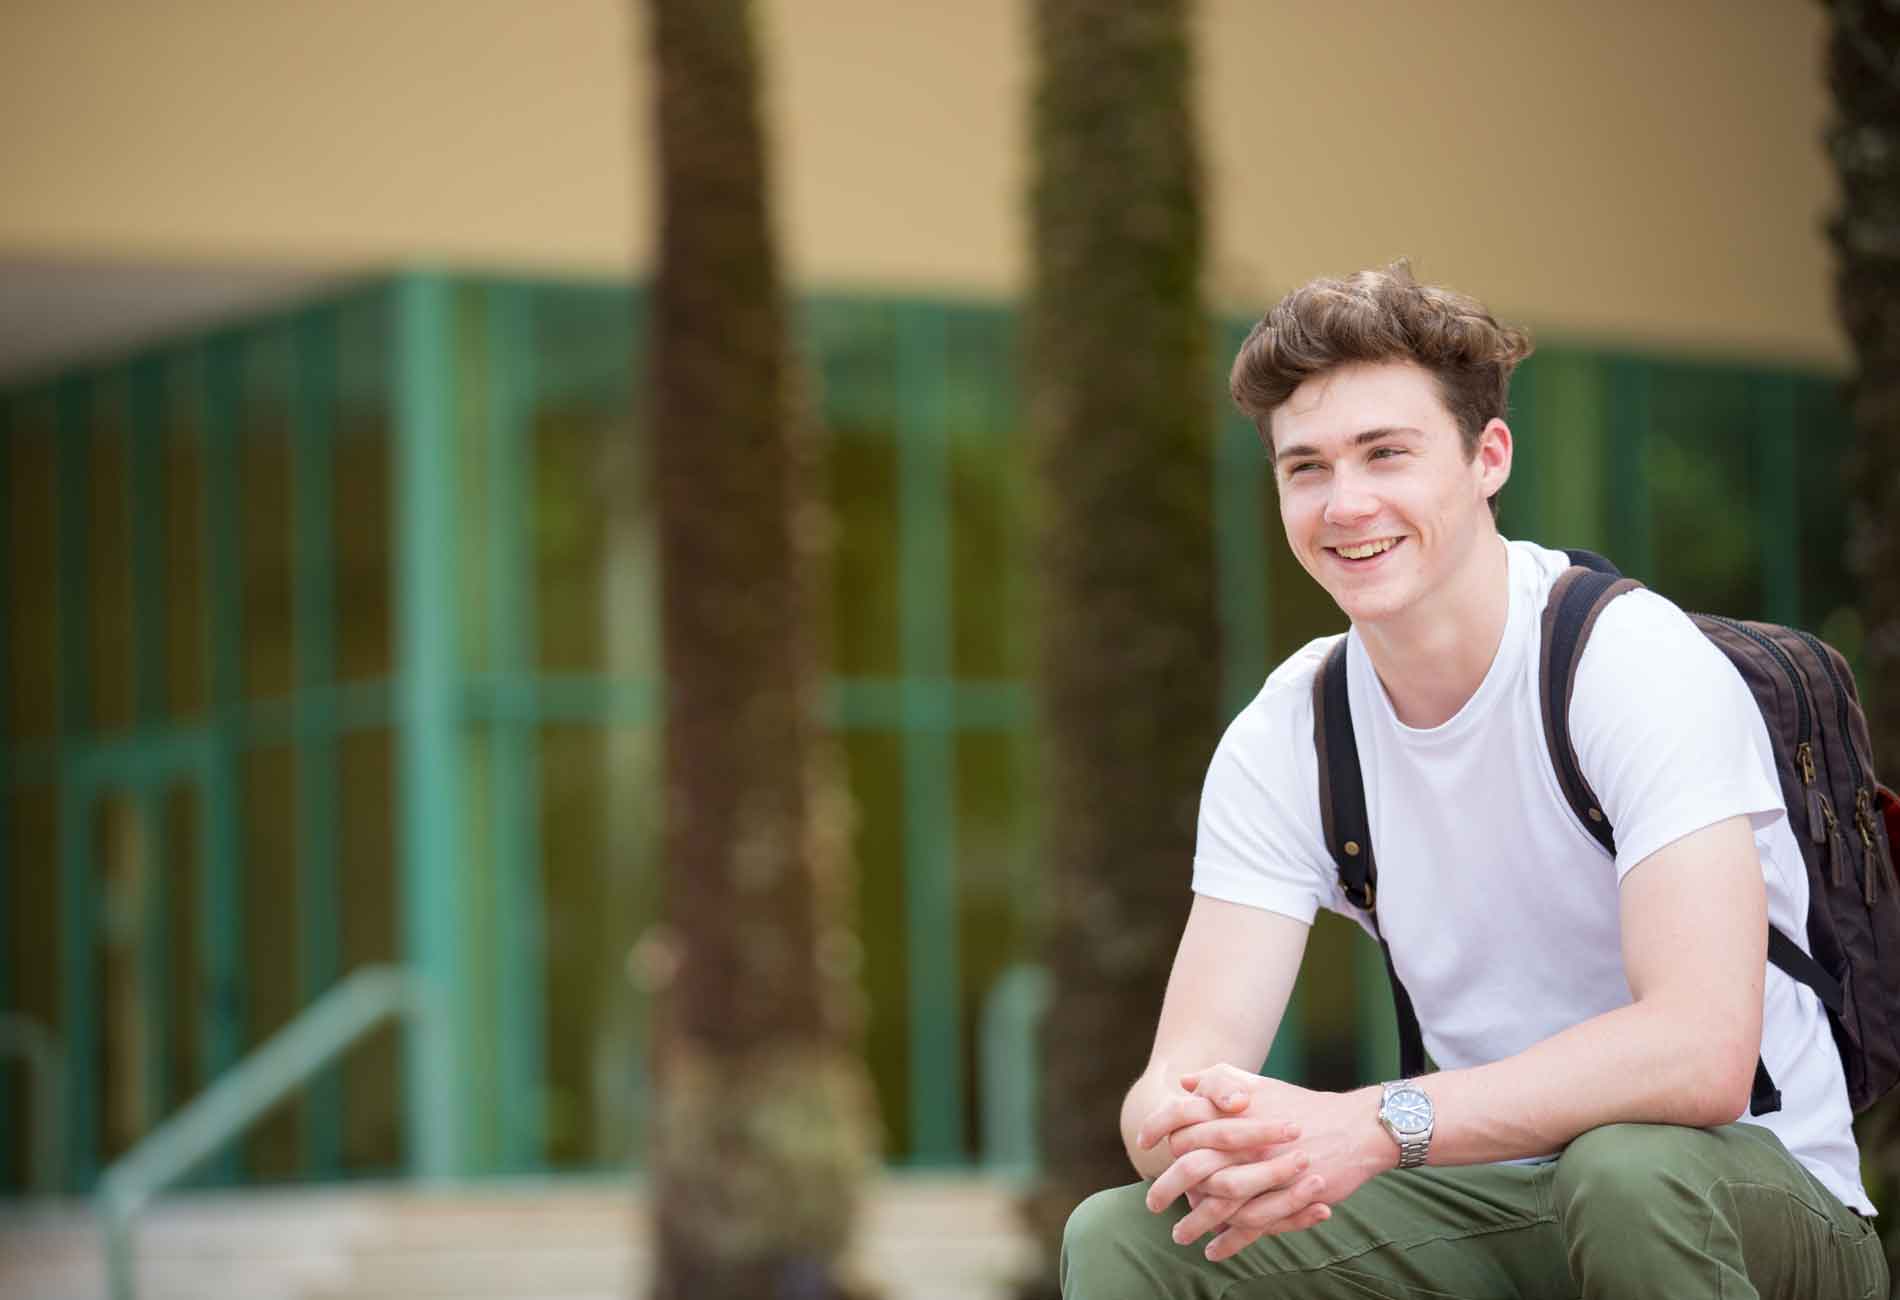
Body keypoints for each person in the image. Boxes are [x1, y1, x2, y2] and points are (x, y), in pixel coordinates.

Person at [1059, 263, 1886, 1299]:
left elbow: (1699, 1050)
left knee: (1625, 1170)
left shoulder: (1625, 661)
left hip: (1746, 1199)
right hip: (1488, 1205)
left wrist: (1374, 1122)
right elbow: (1173, 1081)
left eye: (1385, 453)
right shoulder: (1290, 733)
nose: (1345, 502)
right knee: (1128, 1237)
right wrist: (1200, 1125)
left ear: (1486, 456)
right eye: (1305, 467)